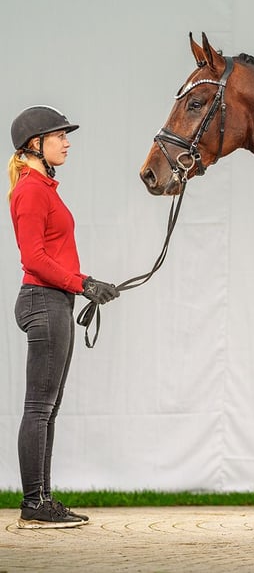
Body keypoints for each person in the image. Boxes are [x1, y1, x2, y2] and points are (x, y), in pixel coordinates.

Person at [8, 105, 120, 529]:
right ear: (35, 144)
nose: (67, 142)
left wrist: (82, 284)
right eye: (60, 136)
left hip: (54, 301)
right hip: (44, 300)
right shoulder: (32, 191)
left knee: (46, 410)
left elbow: (48, 255)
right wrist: (84, 283)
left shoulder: (44, 188)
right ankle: (34, 502)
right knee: (39, 408)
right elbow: (33, 257)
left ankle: (42, 499)